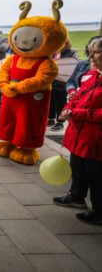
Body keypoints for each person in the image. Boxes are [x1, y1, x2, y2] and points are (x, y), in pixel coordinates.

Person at [54, 37, 102, 225]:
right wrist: (67, 108)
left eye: (95, 52)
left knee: (96, 176)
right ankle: (76, 196)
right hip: (80, 134)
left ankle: (99, 212)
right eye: (90, 51)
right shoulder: (92, 74)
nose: (91, 56)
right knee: (78, 167)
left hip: (95, 137)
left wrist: (78, 113)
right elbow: (78, 95)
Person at [49, 38, 79, 131]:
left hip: (63, 82)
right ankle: (51, 119)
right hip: (52, 81)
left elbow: (75, 67)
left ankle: (60, 122)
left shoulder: (72, 53)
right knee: (52, 101)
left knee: (61, 102)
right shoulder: (53, 53)